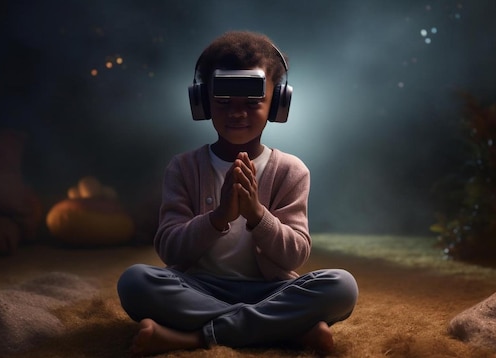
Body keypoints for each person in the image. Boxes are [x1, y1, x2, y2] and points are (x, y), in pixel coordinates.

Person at [117, 31, 358, 356]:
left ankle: (193, 337)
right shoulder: (183, 167)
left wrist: (257, 214)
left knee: (342, 286)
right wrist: (218, 218)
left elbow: (295, 255)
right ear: (202, 101)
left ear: (277, 102)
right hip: (199, 287)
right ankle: (288, 331)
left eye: (252, 102)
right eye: (224, 102)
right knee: (134, 281)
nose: (237, 113)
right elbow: (171, 253)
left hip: (271, 290)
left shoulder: (291, 170)